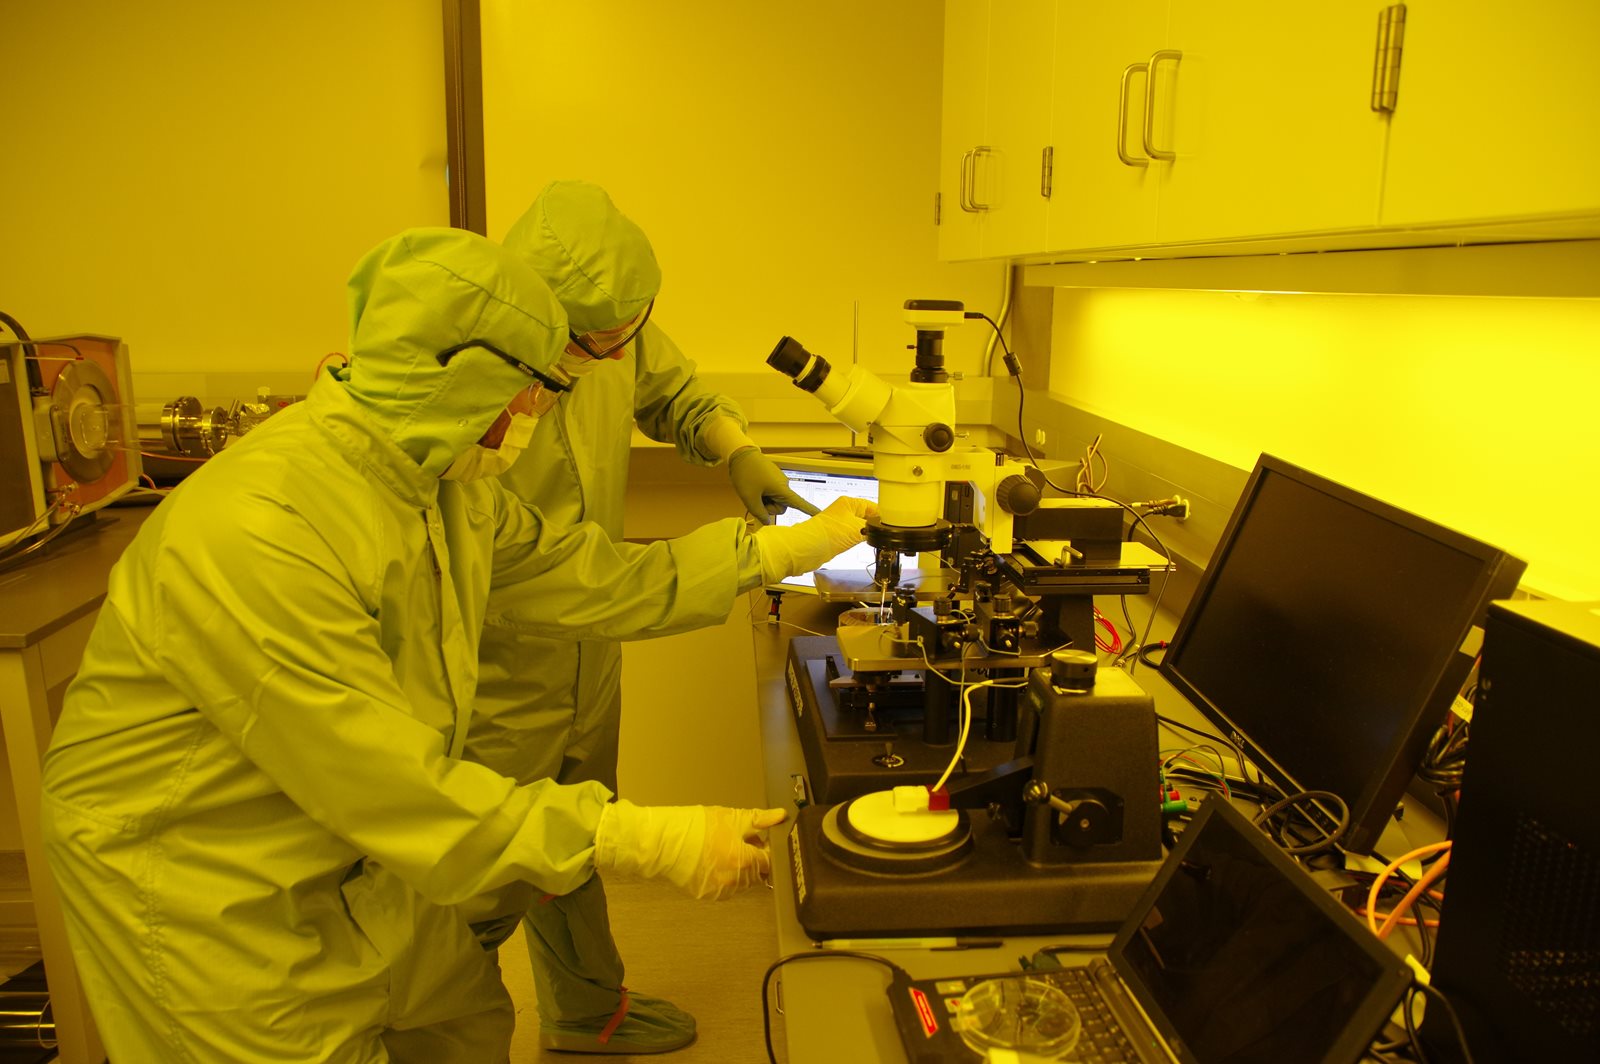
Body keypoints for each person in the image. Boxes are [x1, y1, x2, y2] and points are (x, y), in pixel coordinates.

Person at [39, 226, 871, 1062]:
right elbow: (389, 784)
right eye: (536, 391)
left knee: (462, 1021)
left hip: (362, 848)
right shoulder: (262, 530)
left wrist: (771, 553)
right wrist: (644, 839)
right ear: (462, 377)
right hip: (208, 872)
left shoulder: (444, 483)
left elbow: (584, 574)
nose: (540, 415)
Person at [469, 180, 817, 1054]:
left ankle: (587, 1008)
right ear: (549, 331)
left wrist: (735, 446)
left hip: (589, 650)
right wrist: (756, 559)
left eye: (634, 329)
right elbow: (567, 573)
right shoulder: (483, 381)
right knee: (482, 876)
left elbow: (674, 392)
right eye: (602, 343)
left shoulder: (611, 325)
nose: (622, 350)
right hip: (498, 661)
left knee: (585, 822)